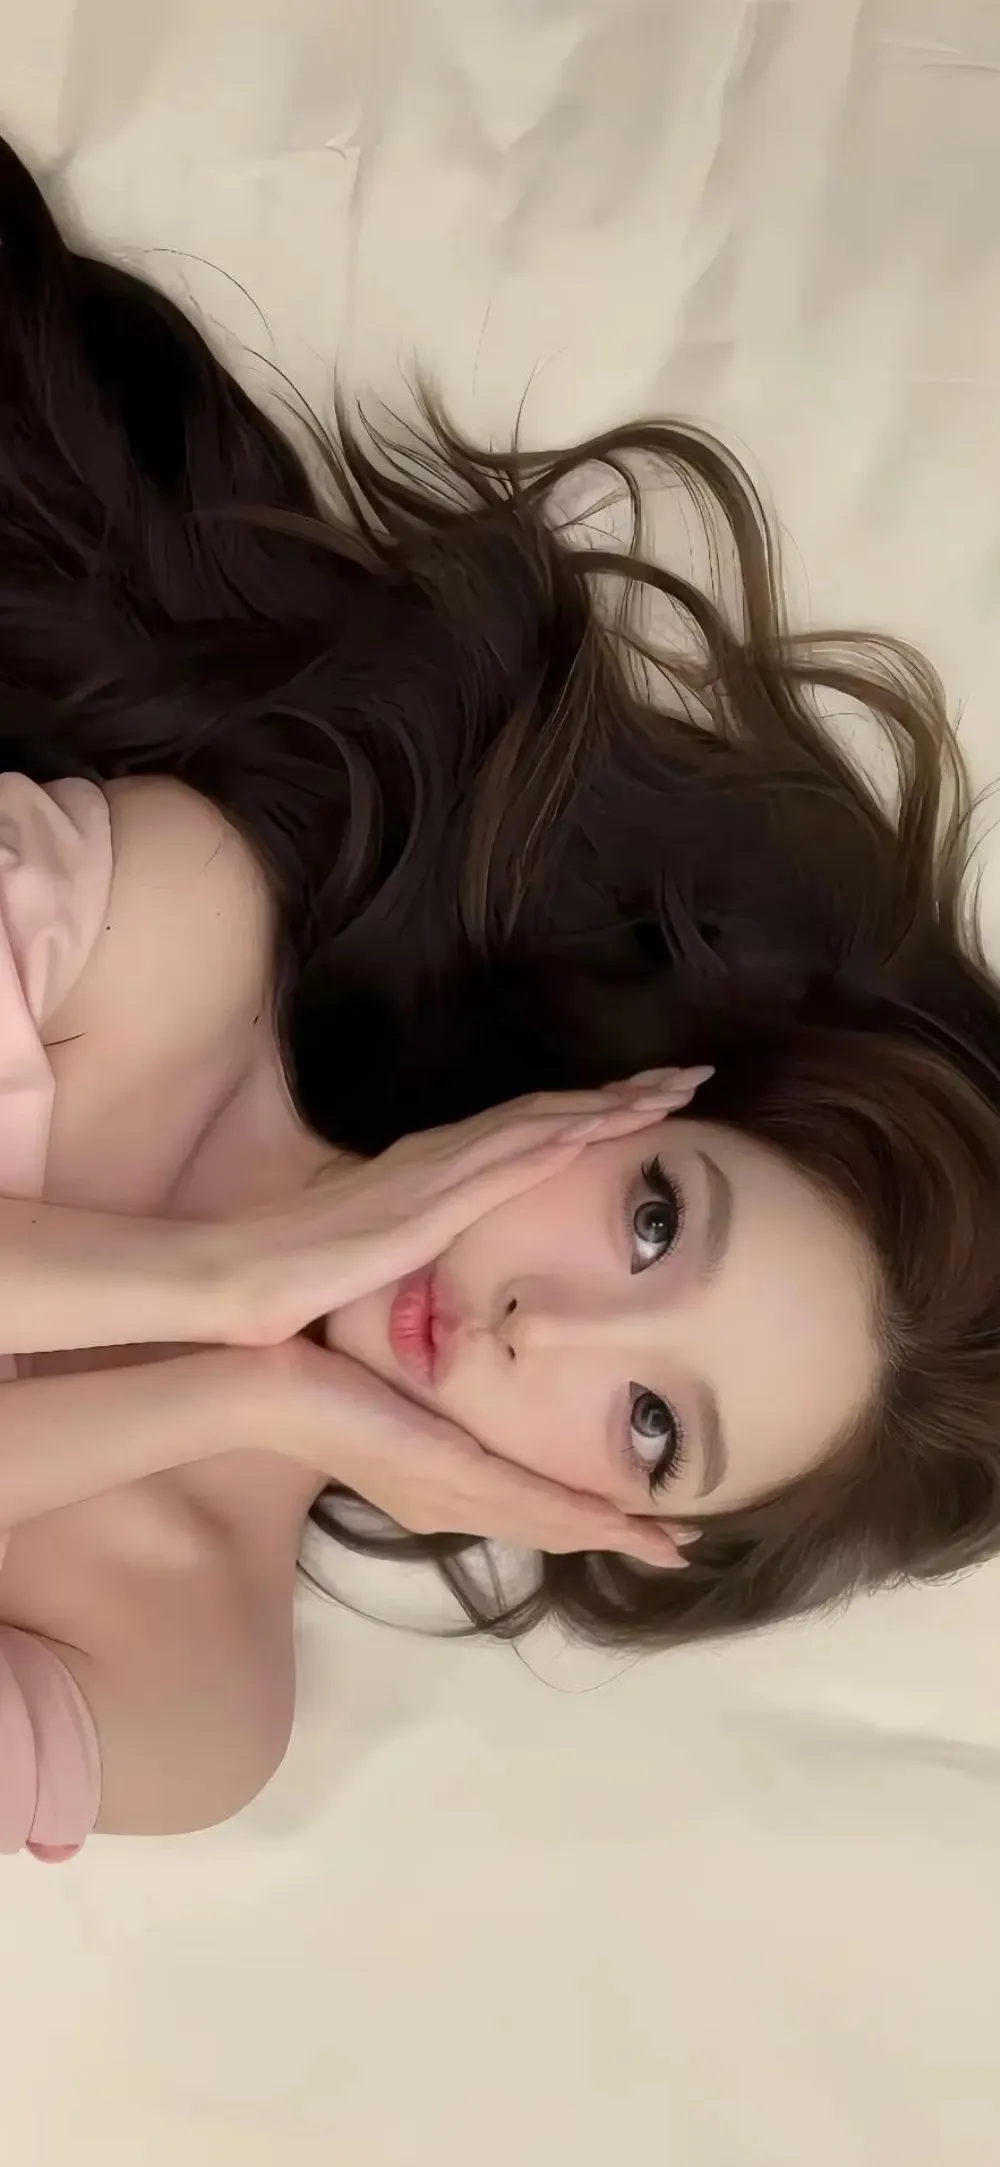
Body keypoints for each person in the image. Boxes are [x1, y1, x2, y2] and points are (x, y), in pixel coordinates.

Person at [1, 132, 1000, 1860]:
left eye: (652, 1423)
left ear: (615, 1523)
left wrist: (244, 1374)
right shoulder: (168, 934)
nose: (550, 1330)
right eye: (653, 1220)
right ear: (637, 1095)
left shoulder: (193, 1700)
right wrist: (228, 1288)